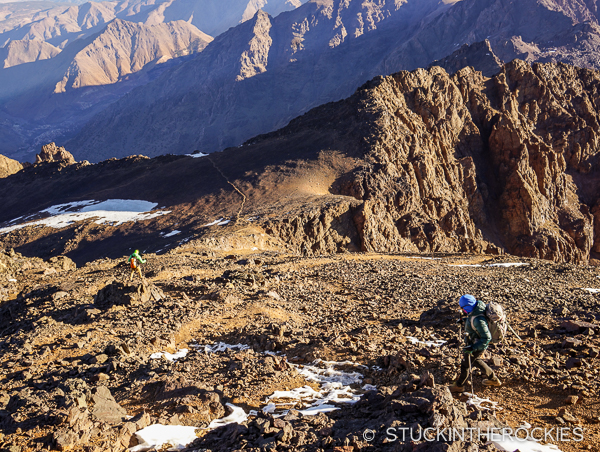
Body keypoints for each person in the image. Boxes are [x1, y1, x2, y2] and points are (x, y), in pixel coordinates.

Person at [449, 294, 502, 393]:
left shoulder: (478, 319)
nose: (462, 310)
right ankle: (493, 379)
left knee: (466, 364)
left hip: (476, 344)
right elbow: (472, 322)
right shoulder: (477, 308)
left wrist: (472, 348)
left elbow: (486, 337)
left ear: (467, 307)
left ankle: (459, 386)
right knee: (475, 361)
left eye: (463, 307)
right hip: (475, 342)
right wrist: (464, 320)